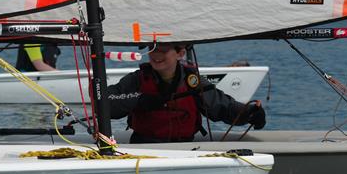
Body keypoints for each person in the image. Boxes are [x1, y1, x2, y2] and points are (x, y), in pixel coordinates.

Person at [106, 43, 266, 143]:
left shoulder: (192, 82)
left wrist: (250, 114)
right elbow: (105, 103)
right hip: (145, 148)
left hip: (184, 148)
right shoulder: (137, 79)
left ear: (180, 54)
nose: (155, 55)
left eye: (163, 50)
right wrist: (138, 100)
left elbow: (223, 107)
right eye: (152, 49)